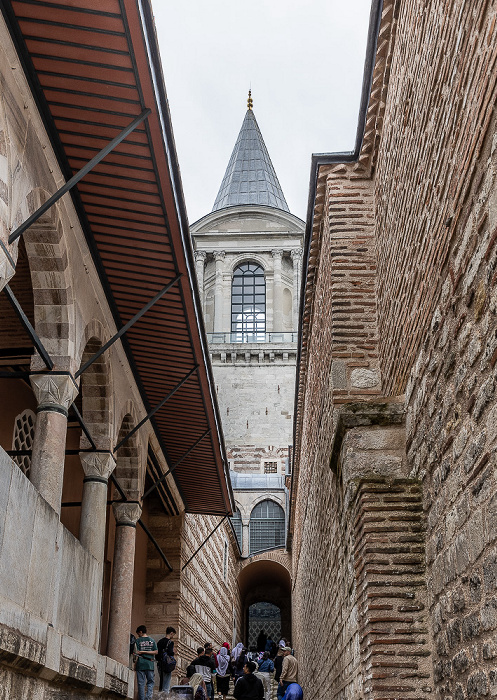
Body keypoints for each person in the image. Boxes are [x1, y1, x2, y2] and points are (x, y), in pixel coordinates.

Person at [134, 625, 158, 700]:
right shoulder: (152, 640)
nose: (138, 635)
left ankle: (142, 698)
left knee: (141, 683)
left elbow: (136, 653)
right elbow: (156, 652)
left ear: (140, 632)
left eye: (138, 634)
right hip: (149, 664)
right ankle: (148, 697)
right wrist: (146, 652)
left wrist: (142, 652)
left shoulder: (137, 641)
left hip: (140, 664)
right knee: (150, 682)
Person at [157, 625, 176, 693]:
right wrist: (173, 652)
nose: (172, 637)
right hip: (167, 665)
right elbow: (170, 653)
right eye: (173, 635)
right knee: (166, 684)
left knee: (161, 682)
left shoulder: (159, 641)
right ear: (171, 633)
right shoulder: (170, 642)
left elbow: (157, 653)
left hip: (159, 664)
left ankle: (161, 695)